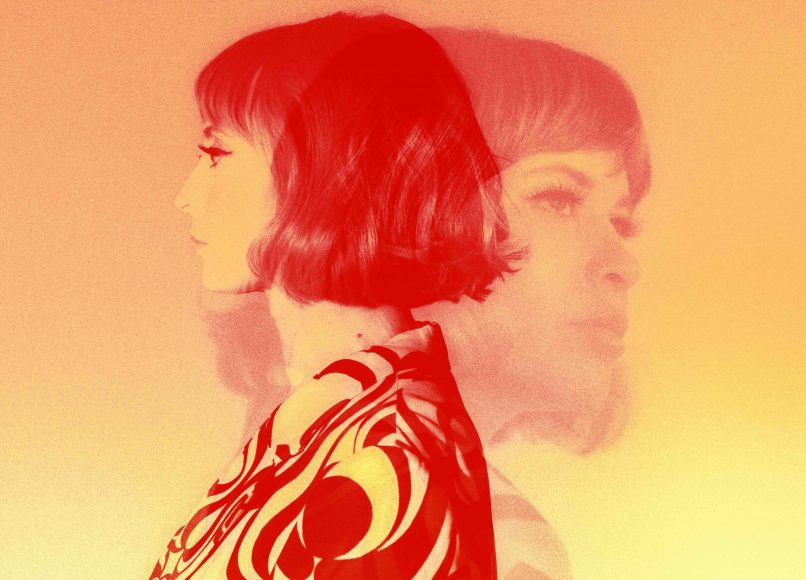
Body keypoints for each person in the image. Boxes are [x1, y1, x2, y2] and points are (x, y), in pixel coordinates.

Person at [150, 13, 515, 579]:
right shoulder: (332, 419)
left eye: (216, 153)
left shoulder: (385, 457)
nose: (185, 195)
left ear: (324, 168)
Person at [416, 29, 652, 578]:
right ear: (417, 218)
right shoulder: (481, 538)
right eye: (558, 199)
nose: (623, 264)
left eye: (621, 223)